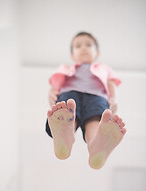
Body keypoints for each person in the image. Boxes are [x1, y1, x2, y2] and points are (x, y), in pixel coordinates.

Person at [45, 31, 126, 169]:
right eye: (78, 46)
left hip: (97, 96)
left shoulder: (103, 68)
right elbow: (55, 84)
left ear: (97, 53)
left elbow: (111, 83)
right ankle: (66, 135)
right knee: (67, 112)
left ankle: (96, 144)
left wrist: (114, 99)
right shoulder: (65, 68)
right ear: (72, 55)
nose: (83, 48)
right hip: (70, 93)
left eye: (88, 45)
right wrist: (51, 93)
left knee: (96, 121)